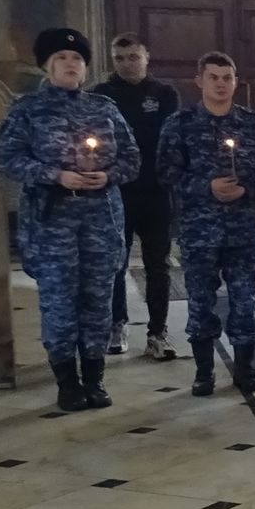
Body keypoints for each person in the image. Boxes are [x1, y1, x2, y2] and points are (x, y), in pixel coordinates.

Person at [0, 28, 139, 412]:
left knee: (98, 301)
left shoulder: (104, 109)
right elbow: (7, 159)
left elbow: (131, 159)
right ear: (47, 65)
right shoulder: (27, 110)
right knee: (59, 303)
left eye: (77, 59)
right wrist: (55, 175)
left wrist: (108, 175)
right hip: (52, 222)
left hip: (100, 219)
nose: (70, 64)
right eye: (61, 58)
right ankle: (67, 382)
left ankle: (94, 378)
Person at [157, 52, 255, 398]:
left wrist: (247, 188)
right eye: (214, 77)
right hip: (199, 231)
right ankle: (204, 371)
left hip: (242, 231)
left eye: (227, 78)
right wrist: (206, 186)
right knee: (200, 302)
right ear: (200, 81)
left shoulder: (253, 124)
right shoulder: (180, 125)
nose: (221, 84)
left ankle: (245, 368)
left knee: (244, 301)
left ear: (236, 82)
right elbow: (165, 172)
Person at [97, 32, 180, 360]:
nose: (127, 64)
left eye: (133, 57)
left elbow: (171, 139)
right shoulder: (101, 95)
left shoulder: (164, 94)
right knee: (115, 263)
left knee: (157, 264)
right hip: (116, 191)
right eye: (119, 58)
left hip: (155, 191)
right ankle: (117, 323)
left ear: (147, 57)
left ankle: (158, 331)